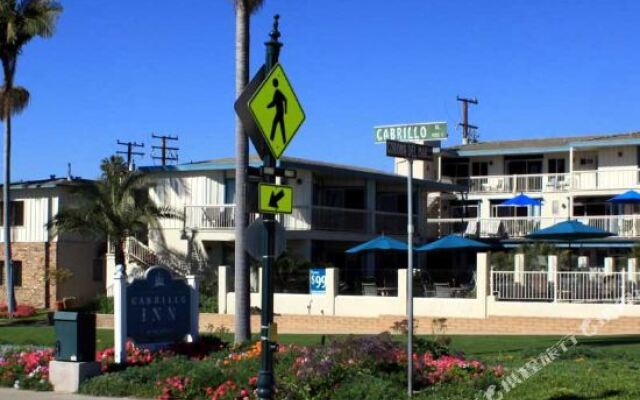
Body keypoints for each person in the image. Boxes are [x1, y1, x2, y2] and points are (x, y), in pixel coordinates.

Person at [267, 78, 287, 142]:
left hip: (279, 112)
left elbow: (274, 102)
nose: (273, 84)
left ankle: (272, 139)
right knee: (281, 126)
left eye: (273, 82)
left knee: (275, 124)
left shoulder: (277, 92)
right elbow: (275, 102)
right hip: (280, 112)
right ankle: (283, 140)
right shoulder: (277, 92)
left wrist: (267, 106)